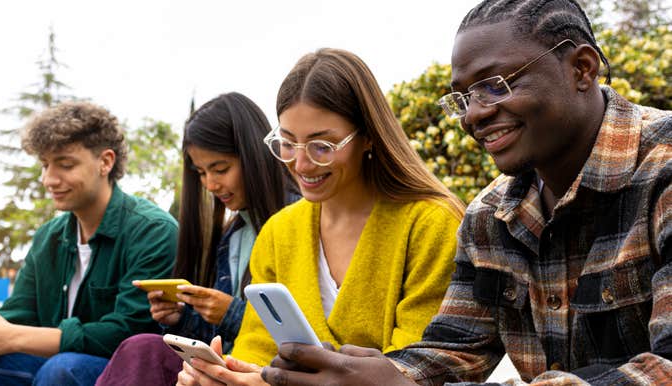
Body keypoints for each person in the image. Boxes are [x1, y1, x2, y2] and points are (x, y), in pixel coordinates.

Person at [259, 1, 672, 385]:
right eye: (464, 96)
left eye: (495, 86)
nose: (474, 113)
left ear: (582, 68)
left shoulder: (662, 170)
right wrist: (373, 373)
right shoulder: (490, 216)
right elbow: (456, 348)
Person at [176, 48, 466, 386]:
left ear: (368, 136)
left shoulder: (431, 224)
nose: (300, 165)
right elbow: (256, 348)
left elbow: (419, 369)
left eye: (322, 147)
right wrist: (225, 376)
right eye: (287, 143)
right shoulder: (279, 232)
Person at [0, 101, 179, 386]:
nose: (49, 179)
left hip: (123, 372)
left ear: (106, 162)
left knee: (63, 369)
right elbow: (21, 311)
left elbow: (126, 333)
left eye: (65, 165)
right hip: (53, 366)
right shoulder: (49, 236)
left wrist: (13, 336)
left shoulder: (153, 231)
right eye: (44, 165)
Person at [95, 92, 297, 386]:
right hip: (224, 367)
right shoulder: (234, 233)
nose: (211, 184)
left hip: (265, 374)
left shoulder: (299, 221)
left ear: (254, 155)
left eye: (221, 169)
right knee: (142, 348)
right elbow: (215, 341)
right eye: (201, 172)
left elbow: (302, 337)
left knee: (136, 352)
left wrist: (231, 313)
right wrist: (180, 319)